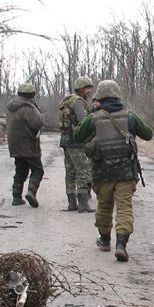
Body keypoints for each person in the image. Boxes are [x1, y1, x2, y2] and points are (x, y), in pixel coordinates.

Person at [73, 79, 153, 262]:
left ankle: (105, 240)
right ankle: (121, 245)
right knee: (124, 207)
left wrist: (92, 116)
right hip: (126, 172)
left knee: (104, 205)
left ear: (99, 97)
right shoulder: (130, 116)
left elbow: (77, 136)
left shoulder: (93, 118)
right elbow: (148, 134)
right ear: (117, 95)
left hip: (102, 173)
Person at [58, 76, 95, 212]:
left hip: (66, 140)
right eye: (88, 88)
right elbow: (82, 121)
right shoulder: (78, 102)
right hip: (76, 141)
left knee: (70, 171)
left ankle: (72, 203)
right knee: (83, 170)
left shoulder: (68, 99)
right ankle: (83, 204)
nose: (90, 91)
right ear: (82, 89)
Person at [5, 81, 45, 207]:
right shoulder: (28, 108)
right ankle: (31, 192)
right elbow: (37, 124)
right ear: (32, 95)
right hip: (28, 144)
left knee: (20, 170)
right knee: (38, 170)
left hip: (15, 145)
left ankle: (16, 197)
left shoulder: (11, 107)